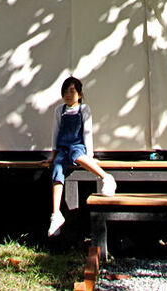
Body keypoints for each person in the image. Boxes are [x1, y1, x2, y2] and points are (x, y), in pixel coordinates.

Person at [47, 75, 116, 237]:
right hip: (63, 148)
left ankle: (106, 177)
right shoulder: (60, 110)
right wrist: (53, 155)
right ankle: (56, 213)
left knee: (76, 154)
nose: (68, 95)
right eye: (65, 91)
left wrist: (89, 155)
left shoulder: (84, 109)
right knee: (57, 170)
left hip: (77, 146)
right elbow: (55, 133)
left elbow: (87, 133)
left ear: (80, 94)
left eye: (72, 91)